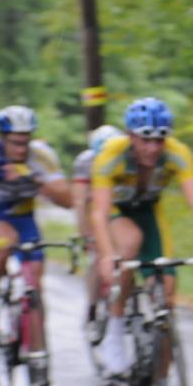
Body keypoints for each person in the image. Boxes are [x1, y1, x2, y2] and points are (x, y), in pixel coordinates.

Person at [92, 98, 193, 386]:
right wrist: (106, 255)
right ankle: (115, 328)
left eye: (159, 139)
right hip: (117, 213)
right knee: (129, 243)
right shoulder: (110, 155)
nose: (153, 148)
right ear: (130, 136)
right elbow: (99, 212)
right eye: (146, 139)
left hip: (148, 212)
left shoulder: (177, 153)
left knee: (166, 304)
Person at [0, 105, 72, 340]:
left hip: (25, 217)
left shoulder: (42, 156)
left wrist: (33, 178)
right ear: (2, 139)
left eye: (25, 142)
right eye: (14, 143)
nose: (20, 149)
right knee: (5, 245)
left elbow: (67, 201)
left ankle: (37, 346)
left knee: (35, 283)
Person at [72, 123, 122, 334]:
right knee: (99, 258)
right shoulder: (86, 162)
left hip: (119, 208)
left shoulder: (123, 157)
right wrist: (86, 234)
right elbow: (80, 202)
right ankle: (92, 305)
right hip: (96, 210)